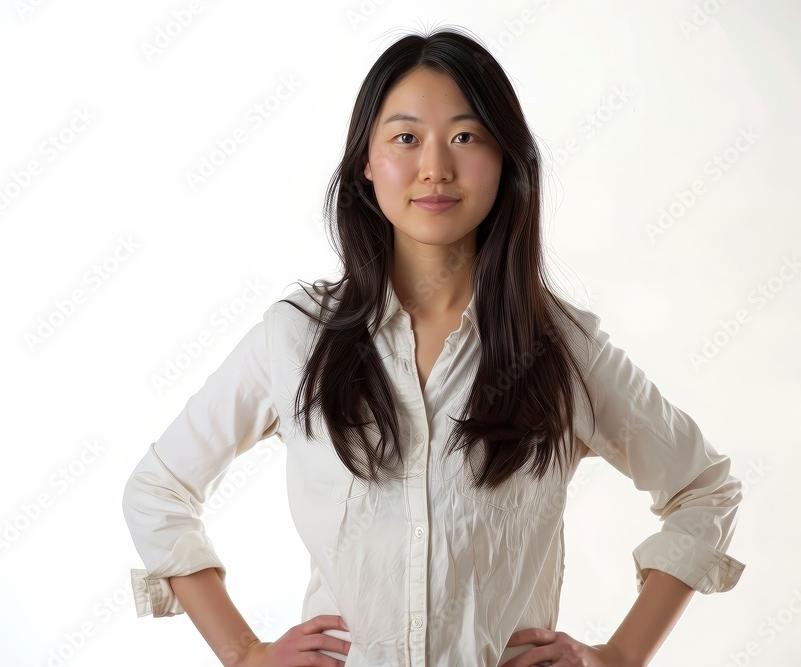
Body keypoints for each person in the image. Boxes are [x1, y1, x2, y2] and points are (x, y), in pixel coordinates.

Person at [121, 25, 745, 667]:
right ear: (367, 162)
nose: (435, 168)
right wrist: (246, 653)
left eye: (466, 136)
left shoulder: (562, 347)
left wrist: (617, 657)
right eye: (406, 137)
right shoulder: (298, 337)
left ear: (505, 159)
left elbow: (704, 490)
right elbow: (159, 490)